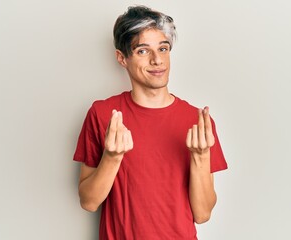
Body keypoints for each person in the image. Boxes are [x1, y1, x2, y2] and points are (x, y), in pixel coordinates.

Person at [73, 5, 228, 240]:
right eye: (143, 51)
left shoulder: (197, 122)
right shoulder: (103, 114)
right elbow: (89, 201)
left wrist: (200, 156)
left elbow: (203, 214)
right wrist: (112, 158)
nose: (157, 60)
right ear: (122, 58)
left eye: (163, 49)